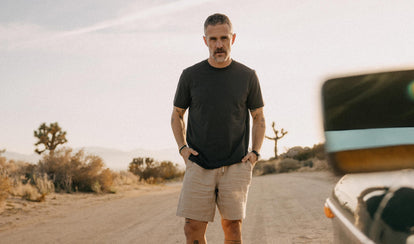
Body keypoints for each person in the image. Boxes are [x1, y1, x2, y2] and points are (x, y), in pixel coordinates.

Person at [171, 13, 266, 244]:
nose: (219, 44)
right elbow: (177, 115)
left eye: (224, 38)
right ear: (205, 41)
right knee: (192, 228)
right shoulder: (190, 75)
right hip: (199, 163)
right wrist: (183, 148)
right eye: (213, 39)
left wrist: (254, 153)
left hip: (235, 164)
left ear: (233, 38)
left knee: (232, 229)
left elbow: (259, 117)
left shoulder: (247, 76)